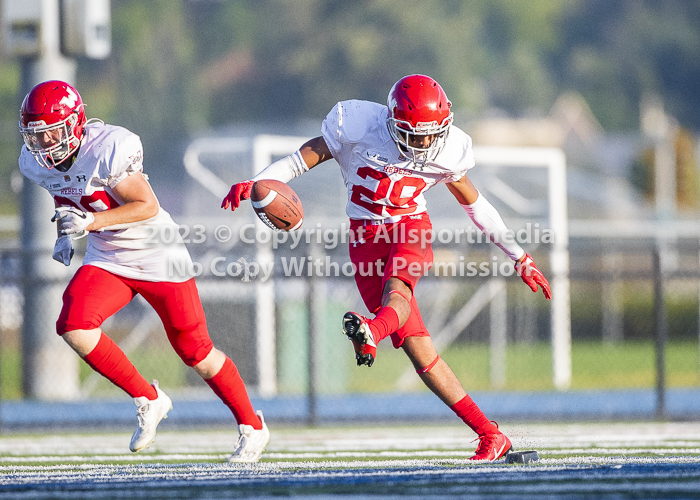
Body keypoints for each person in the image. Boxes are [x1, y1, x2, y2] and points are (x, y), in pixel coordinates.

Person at [221, 74, 551, 462]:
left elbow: (476, 205)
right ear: (392, 123)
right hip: (364, 237)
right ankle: (491, 435)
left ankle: (372, 330)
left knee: (399, 295)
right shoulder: (357, 125)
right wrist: (260, 182)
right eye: (415, 134)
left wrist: (519, 256)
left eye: (432, 133)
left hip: (410, 226)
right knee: (419, 350)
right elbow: (299, 160)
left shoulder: (450, 150)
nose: (425, 143)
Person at [18, 80, 269, 463]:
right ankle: (148, 398)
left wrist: (88, 224)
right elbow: (65, 192)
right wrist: (65, 234)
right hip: (109, 257)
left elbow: (145, 206)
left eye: (52, 133)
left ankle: (252, 426)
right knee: (73, 324)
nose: (44, 145)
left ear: (75, 124)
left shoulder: (108, 148)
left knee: (196, 352)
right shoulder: (34, 163)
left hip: (157, 253)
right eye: (36, 137)